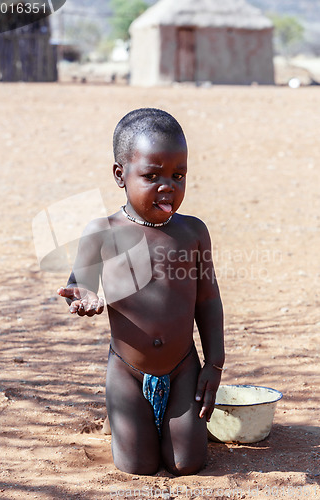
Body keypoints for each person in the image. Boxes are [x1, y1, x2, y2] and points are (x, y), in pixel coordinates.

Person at [57, 108, 224, 476]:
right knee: (138, 466)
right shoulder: (103, 232)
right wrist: (83, 298)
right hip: (127, 371)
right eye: (151, 176)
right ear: (121, 175)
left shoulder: (193, 233)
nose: (168, 186)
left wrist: (214, 363)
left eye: (178, 175)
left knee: (187, 463)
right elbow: (78, 284)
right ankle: (126, 421)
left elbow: (208, 300)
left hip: (183, 369)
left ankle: (173, 426)